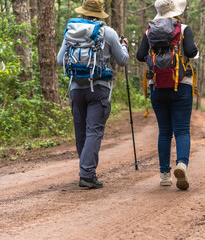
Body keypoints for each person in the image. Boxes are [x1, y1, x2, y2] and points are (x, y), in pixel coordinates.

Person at [57, 0, 129, 189]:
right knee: (94, 131)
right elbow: (122, 60)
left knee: (81, 132)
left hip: (76, 88)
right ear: (99, 14)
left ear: (83, 12)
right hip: (99, 89)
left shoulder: (71, 30)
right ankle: (87, 174)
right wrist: (124, 46)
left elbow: (59, 60)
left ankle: (86, 170)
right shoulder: (108, 32)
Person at [136, 0, 198, 190]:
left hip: (158, 86)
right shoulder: (184, 28)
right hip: (182, 86)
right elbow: (191, 52)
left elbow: (140, 56)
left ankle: (164, 175)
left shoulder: (150, 31)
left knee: (164, 132)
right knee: (181, 130)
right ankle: (181, 164)